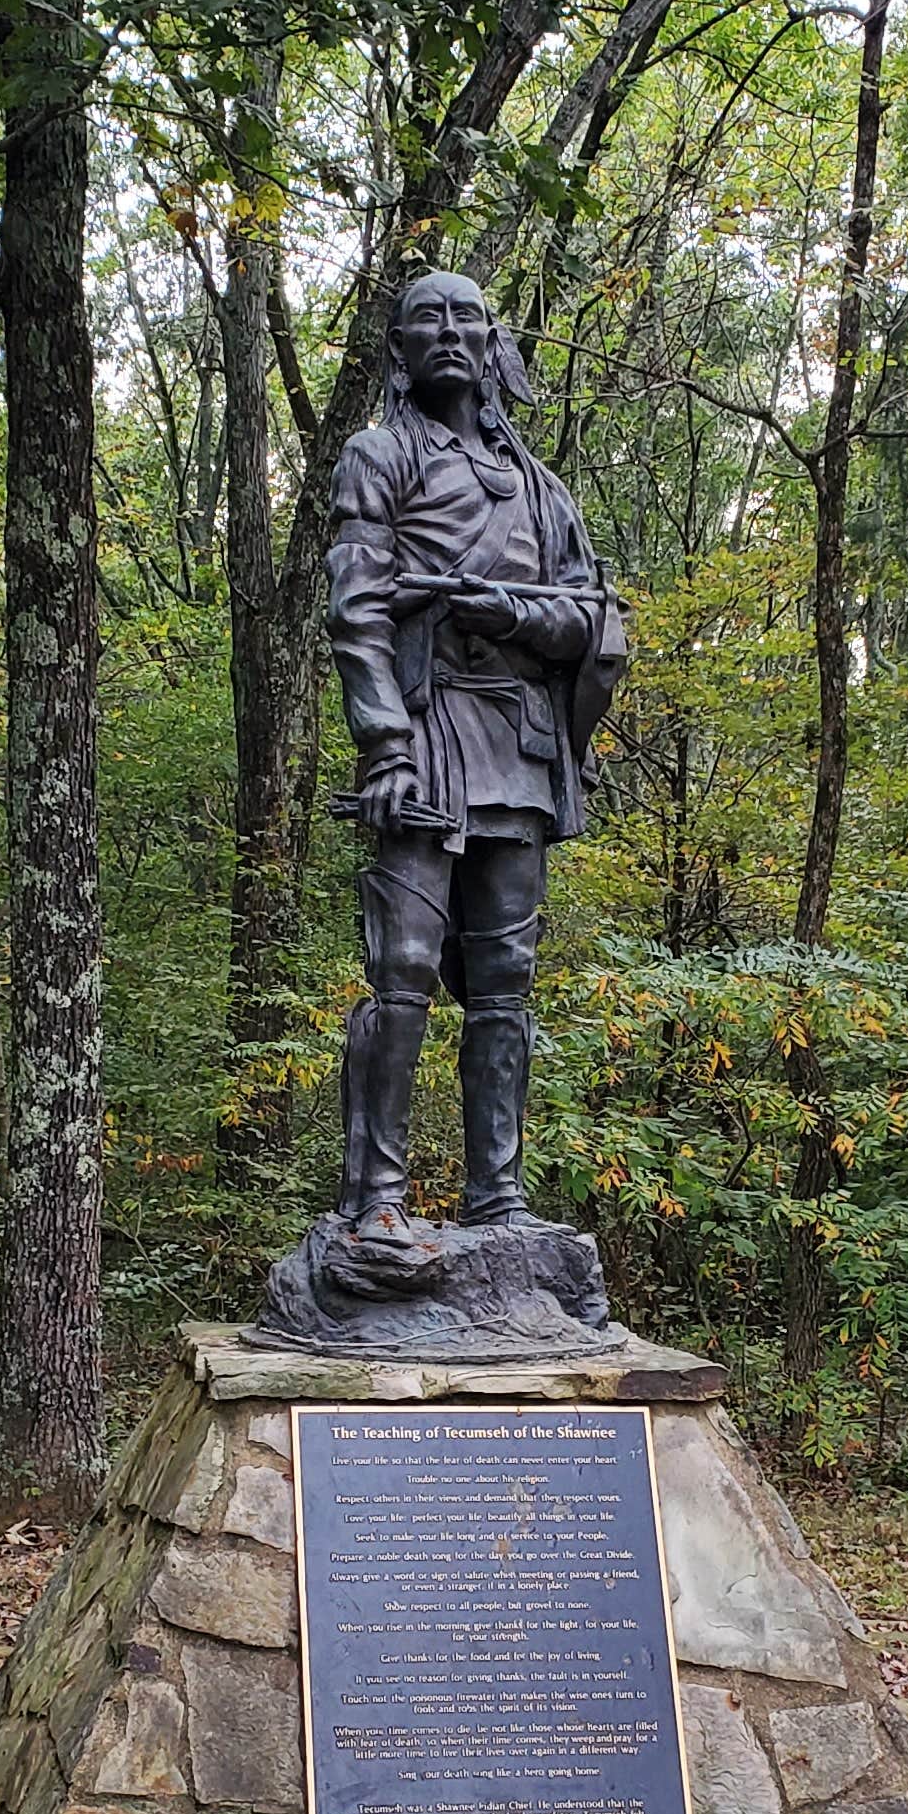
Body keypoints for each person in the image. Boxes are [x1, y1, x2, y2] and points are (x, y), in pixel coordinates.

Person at [323, 270, 626, 1238]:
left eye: (468, 317)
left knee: (507, 980)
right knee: (402, 965)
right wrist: (383, 744)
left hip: (522, 748)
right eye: (428, 320)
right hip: (424, 730)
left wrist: (506, 610)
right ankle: (376, 1200)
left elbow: (592, 626)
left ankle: (499, 1200)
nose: (449, 333)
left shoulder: (544, 488)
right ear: (399, 348)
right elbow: (357, 608)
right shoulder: (377, 455)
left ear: (495, 343)